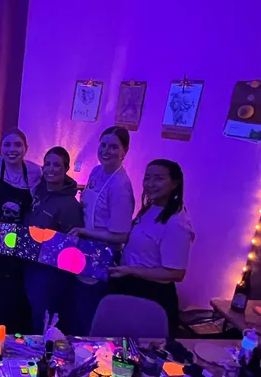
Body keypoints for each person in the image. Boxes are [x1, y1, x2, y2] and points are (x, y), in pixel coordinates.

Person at [109, 159, 194, 334]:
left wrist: (131, 270)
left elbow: (176, 273)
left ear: (175, 183)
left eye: (158, 178)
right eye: (147, 178)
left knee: (140, 351)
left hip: (151, 294)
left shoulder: (176, 223)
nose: (150, 184)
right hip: (129, 285)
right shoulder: (150, 209)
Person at [0, 129, 42, 332]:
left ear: (26, 148)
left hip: (17, 242)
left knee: (11, 292)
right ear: (1, 148)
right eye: (7, 145)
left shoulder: (35, 172)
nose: (12, 150)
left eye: (18, 145)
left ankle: (9, 335)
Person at [70, 126, 136, 335]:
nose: (106, 150)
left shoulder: (120, 186)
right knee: (76, 303)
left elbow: (120, 235)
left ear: (124, 151)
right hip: (84, 247)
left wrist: (83, 231)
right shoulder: (97, 171)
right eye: (104, 144)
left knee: (88, 309)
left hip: (101, 253)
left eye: (114, 147)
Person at [24, 147, 84, 333]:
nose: (50, 168)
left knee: (43, 319)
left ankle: (41, 357)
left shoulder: (70, 205)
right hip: (30, 265)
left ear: (66, 168)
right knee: (32, 314)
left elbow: (70, 248)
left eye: (57, 165)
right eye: (47, 164)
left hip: (49, 274)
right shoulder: (39, 192)